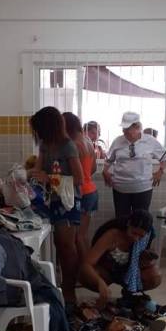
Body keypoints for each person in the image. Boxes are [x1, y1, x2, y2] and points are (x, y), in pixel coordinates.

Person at [29, 107, 84, 304]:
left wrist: (49, 178)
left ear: (48, 127)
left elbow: (79, 179)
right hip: (52, 199)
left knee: (67, 246)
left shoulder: (68, 146)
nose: (37, 134)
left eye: (39, 129)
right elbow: (38, 170)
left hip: (68, 202)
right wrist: (24, 175)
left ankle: (70, 291)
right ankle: (62, 286)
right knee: (59, 245)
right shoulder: (45, 145)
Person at [79, 210, 160, 307]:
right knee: (85, 275)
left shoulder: (146, 238)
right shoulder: (112, 235)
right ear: (128, 224)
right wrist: (100, 283)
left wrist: (145, 258)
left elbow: (143, 262)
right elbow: (86, 264)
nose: (136, 239)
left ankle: (128, 293)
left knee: (154, 277)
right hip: (107, 272)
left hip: (126, 273)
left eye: (140, 236)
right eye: (134, 233)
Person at [103, 111, 166, 218]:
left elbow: (165, 157)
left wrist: (160, 172)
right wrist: (105, 171)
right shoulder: (117, 141)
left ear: (137, 127)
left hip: (143, 189)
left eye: (128, 128)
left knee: (140, 221)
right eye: (123, 128)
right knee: (121, 220)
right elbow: (108, 160)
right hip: (120, 189)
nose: (124, 131)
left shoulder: (150, 141)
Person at [63, 112, 98, 262]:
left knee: (78, 236)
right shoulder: (88, 142)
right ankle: (89, 267)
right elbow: (94, 168)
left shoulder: (73, 145)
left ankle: (85, 269)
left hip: (81, 193)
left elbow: (71, 174)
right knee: (82, 235)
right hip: (91, 191)